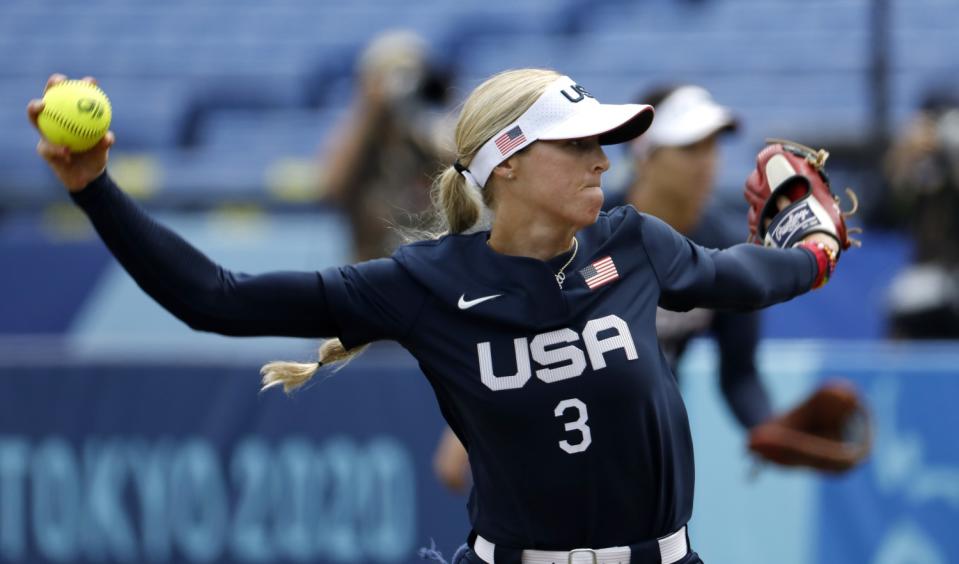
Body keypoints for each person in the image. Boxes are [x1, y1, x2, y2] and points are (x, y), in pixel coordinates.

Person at [31, 69, 841, 564]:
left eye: (605, 141)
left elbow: (736, 275)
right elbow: (214, 296)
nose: (602, 157)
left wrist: (810, 255)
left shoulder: (632, 242)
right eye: (578, 142)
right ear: (510, 163)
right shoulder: (424, 283)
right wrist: (93, 188)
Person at [434, 85, 766, 494]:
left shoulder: (721, 249)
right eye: (689, 148)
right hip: (551, 427)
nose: (706, 164)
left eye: (712, 147)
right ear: (646, 156)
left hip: (643, 442)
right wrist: (466, 426)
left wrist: (768, 428)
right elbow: (511, 327)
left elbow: (739, 373)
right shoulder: (584, 231)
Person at [318, 30, 456, 261]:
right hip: (371, 275)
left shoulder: (428, 134)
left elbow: (466, 174)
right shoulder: (359, 142)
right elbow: (331, 190)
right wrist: (371, 112)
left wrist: (424, 123)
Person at [882, 87, 959, 338]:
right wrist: (901, 164)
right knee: (902, 306)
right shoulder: (918, 169)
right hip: (927, 280)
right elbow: (880, 217)